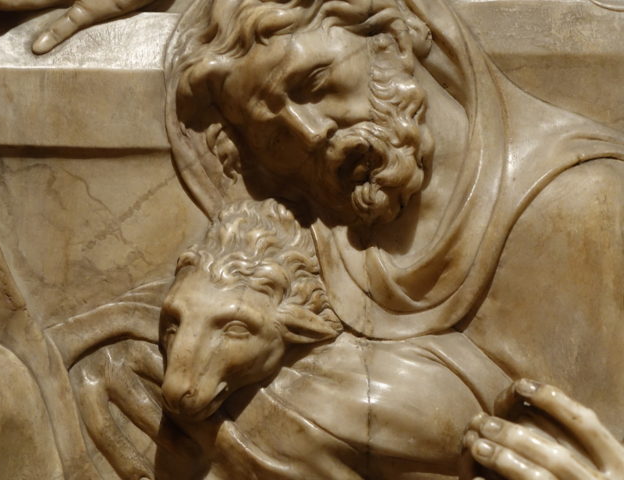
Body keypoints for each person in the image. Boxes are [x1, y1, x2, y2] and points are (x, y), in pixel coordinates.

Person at [163, 0, 624, 478]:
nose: (311, 132)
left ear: (390, 41)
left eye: (313, 83)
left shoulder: (583, 205)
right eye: (272, 133)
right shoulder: (307, 221)